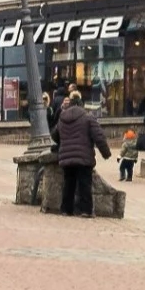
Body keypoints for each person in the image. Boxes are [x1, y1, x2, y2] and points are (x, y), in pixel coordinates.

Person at [55, 88, 112, 216]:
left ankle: (66, 209)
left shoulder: (62, 118)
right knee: (84, 184)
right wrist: (106, 153)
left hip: (66, 157)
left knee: (68, 183)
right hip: (84, 157)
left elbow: (55, 135)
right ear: (82, 105)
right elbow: (99, 136)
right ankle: (85, 210)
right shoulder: (88, 117)